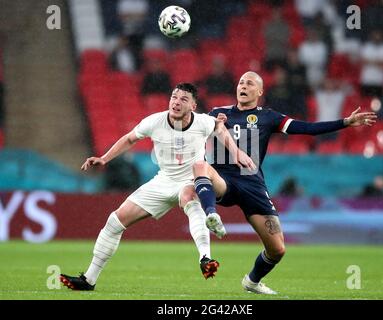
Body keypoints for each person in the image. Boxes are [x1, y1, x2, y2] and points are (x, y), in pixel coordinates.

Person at [193, 71, 377, 294]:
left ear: (259, 92)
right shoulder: (218, 113)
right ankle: (211, 214)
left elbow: (306, 129)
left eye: (249, 83)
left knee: (277, 249)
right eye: (241, 82)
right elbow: (193, 129)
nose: (243, 85)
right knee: (201, 168)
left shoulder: (269, 117)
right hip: (223, 178)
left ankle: (251, 281)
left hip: (252, 185)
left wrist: (345, 122)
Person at [60, 83, 255, 290]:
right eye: (174, 97)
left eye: (183, 99)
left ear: (193, 105)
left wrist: (236, 152)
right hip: (162, 181)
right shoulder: (154, 121)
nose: (176, 102)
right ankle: (89, 279)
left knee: (190, 197)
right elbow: (129, 139)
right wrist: (104, 158)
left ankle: (205, 258)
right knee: (115, 221)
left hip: (191, 179)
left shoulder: (203, 122)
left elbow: (220, 128)